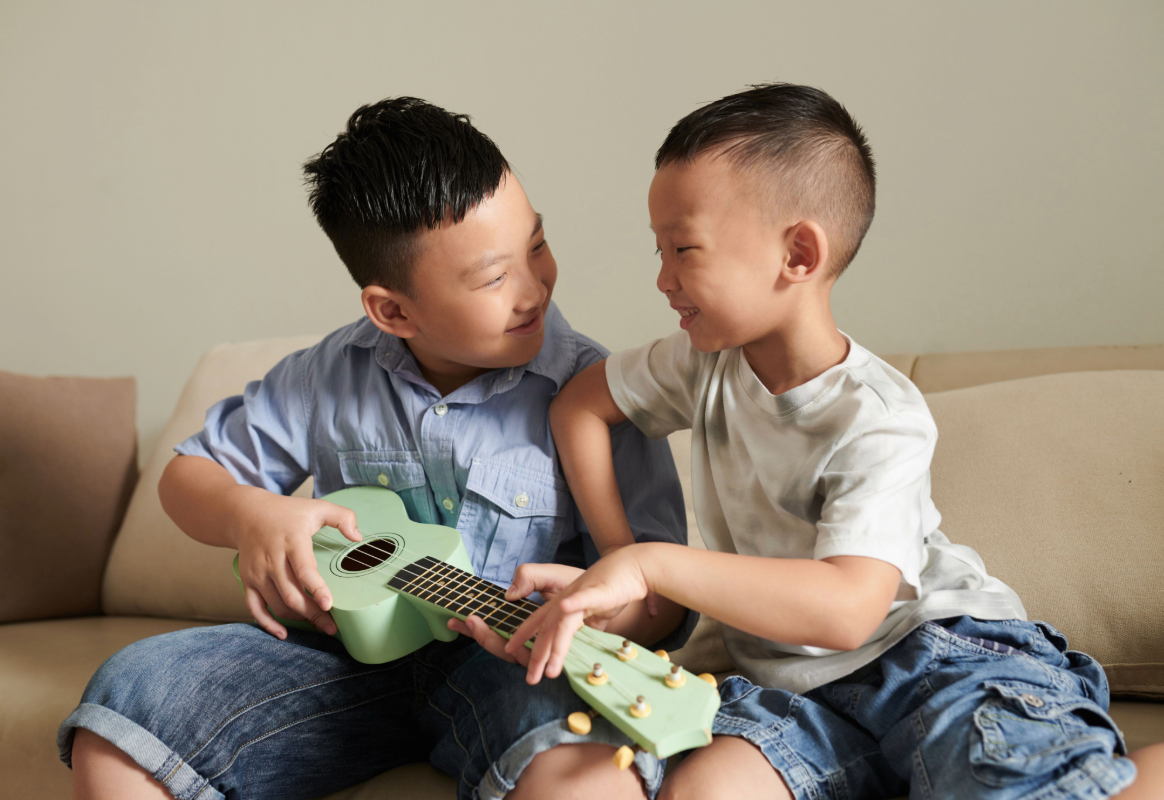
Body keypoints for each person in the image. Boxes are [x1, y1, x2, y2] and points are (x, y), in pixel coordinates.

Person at [511, 83, 1164, 799]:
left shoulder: (881, 416)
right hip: (794, 694)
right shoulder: (701, 362)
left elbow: (846, 608)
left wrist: (650, 566)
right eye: (658, 250)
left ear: (798, 252)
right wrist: (616, 560)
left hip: (933, 661)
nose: (665, 278)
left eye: (684, 249)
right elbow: (580, 405)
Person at [58, 97, 693, 800]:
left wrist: (605, 611)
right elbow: (187, 476)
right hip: (341, 661)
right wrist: (249, 515)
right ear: (393, 310)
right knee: (127, 703)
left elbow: (663, 595)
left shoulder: (596, 392)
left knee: (581, 761)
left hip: (515, 659)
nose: (535, 285)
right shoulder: (325, 375)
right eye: (493, 278)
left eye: (536, 245)